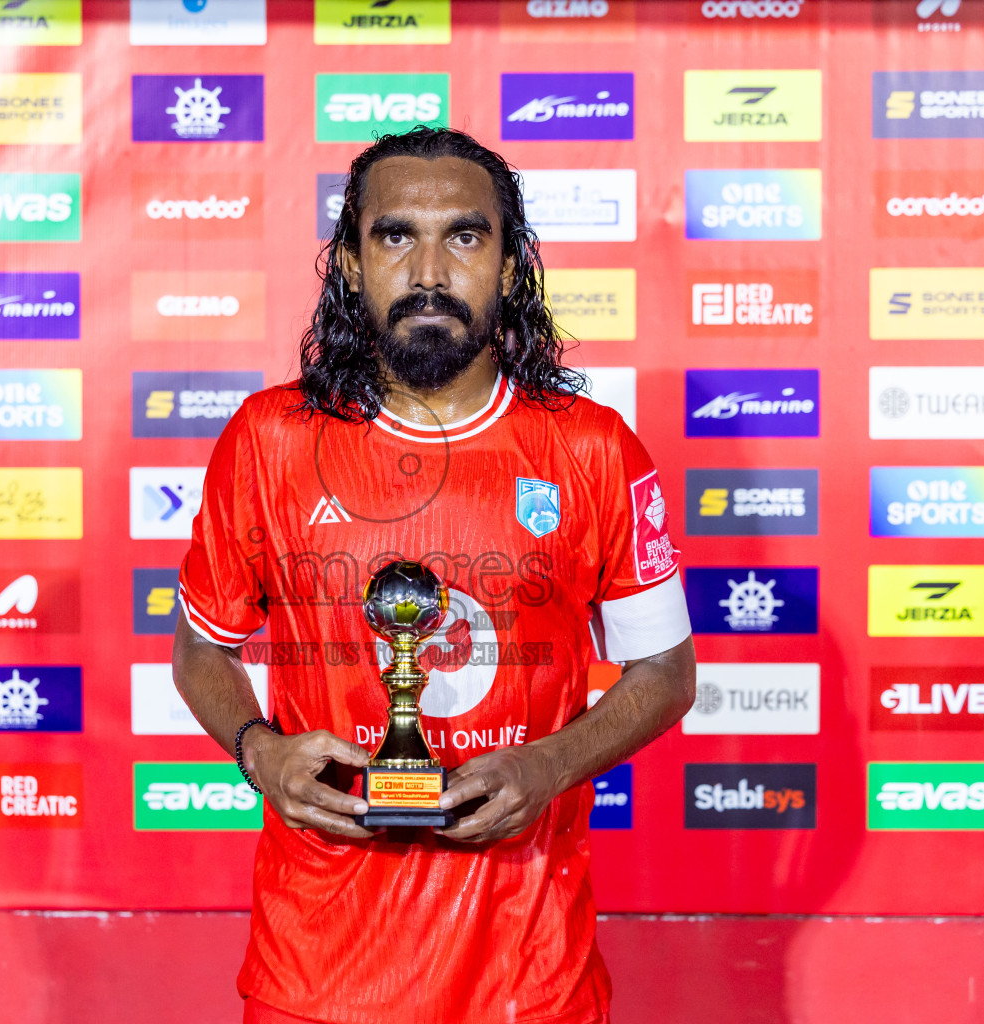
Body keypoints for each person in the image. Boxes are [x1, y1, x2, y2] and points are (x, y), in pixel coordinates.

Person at [172, 126, 697, 1024]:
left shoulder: (592, 448)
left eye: (464, 236)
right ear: (347, 262)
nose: (428, 271)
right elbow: (200, 648)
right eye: (393, 236)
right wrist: (261, 754)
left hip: (529, 978)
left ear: (508, 263)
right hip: (316, 972)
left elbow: (666, 675)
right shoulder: (268, 439)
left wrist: (549, 765)